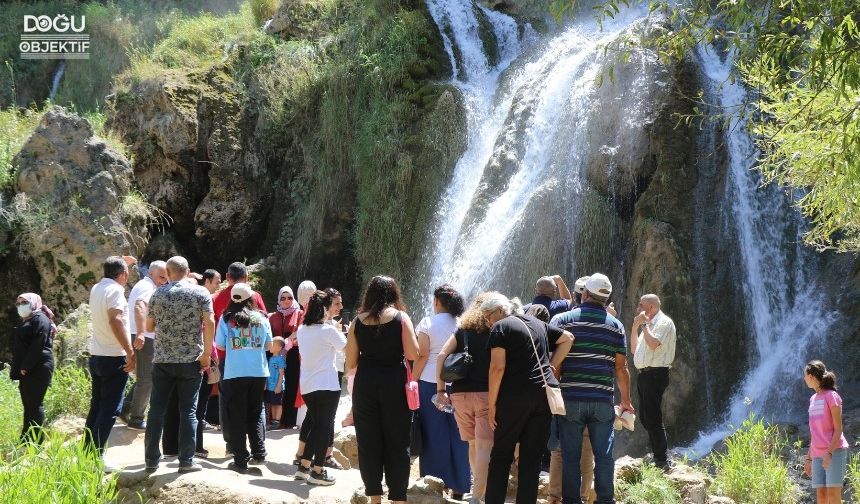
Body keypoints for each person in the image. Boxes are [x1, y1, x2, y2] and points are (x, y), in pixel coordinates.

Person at [550, 273, 633, 504]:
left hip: (570, 399)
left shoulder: (562, 320)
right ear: (606, 299)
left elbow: (553, 365)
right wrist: (626, 401)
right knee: (604, 455)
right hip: (602, 400)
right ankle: (605, 500)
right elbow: (621, 368)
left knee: (570, 456)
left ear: (584, 294)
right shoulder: (616, 326)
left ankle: (572, 500)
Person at [483, 292, 573, 504]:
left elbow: (497, 367)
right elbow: (568, 338)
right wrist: (552, 364)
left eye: (488, 316)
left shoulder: (501, 327)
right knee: (531, 459)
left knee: (501, 456)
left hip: (513, 397)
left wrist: (492, 404)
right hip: (543, 396)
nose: (487, 322)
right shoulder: (537, 323)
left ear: (499, 311)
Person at [345, 276, 419, 504]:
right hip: (393, 383)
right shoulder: (401, 318)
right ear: (394, 294)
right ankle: (398, 499)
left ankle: (374, 498)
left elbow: (350, 364)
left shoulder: (357, 322)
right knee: (397, 442)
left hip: (365, 384)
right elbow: (413, 354)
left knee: (368, 442)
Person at [144, 256, 215, 474]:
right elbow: (210, 322)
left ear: (168, 271)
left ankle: (151, 461)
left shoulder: (157, 293)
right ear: (188, 271)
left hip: (163, 360)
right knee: (189, 412)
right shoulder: (200, 292)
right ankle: (186, 461)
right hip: (190, 360)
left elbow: (149, 325)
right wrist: (206, 354)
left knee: (156, 410)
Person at [435, 292, 493, 503]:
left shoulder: (462, 332)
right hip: (486, 394)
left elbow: (441, 356)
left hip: (459, 394)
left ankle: (476, 490)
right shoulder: (494, 331)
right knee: (485, 446)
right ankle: (478, 496)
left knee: (472, 444)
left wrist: (441, 390)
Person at [413, 284, 470, 499]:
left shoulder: (427, 323)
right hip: (457, 384)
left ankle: (435, 483)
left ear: (437, 301)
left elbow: (422, 355)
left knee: (433, 433)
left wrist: (412, 380)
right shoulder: (462, 323)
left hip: (429, 383)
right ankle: (461, 485)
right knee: (460, 433)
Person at [215, 283, 273, 474]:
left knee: (237, 415)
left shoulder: (226, 319)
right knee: (255, 412)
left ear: (232, 298)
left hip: (234, 373)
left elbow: (221, 347)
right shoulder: (263, 318)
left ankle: (240, 460)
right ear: (251, 298)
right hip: (258, 372)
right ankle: (259, 453)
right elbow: (268, 346)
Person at [86, 256, 136, 462]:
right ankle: (97, 456)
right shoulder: (115, 290)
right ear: (122, 274)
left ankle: (87, 453)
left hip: (97, 355)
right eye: (127, 273)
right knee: (110, 408)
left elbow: (113, 265)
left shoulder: (97, 288)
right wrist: (130, 351)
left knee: (97, 406)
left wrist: (123, 261)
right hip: (114, 357)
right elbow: (116, 319)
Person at [294, 290, 347, 485]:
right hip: (327, 384)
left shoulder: (302, 330)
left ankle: (304, 466)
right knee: (324, 428)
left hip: (307, 385)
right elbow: (346, 347)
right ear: (324, 309)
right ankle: (318, 471)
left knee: (317, 426)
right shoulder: (329, 330)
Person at [630, 294, 676, 469]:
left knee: (653, 416)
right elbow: (634, 350)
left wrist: (644, 324)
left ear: (650, 308)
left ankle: (662, 458)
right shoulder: (647, 326)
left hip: (656, 373)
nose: (637, 308)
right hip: (644, 374)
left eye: (640, 305)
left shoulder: (664, 322)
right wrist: (635, 328)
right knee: (645, 416)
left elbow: (654, 344)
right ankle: (658, 453)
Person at [122, 260, 168, 430]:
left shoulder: (149, 285)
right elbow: (140, 306)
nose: (163, 281)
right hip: (144, 336)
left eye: (166, 278)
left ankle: (126, 408)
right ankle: (136, 418)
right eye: (161, 277)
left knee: (147, 377)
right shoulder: (146, 286)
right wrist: (141, 333)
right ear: (151, 273)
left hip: (145, 335)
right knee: (147, 379)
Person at [11, 293, 56, 444]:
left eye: (24, 302)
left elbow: (39, 344)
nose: (21, 306)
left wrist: (25, 366)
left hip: (38, 368)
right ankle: (25, 439)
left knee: (35, 404)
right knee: (28, 405)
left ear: (34, 303)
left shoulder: (40, 319)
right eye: (19, 303)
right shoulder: (28, 320)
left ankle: (37, 441)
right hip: (28, 369)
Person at [803, 360, 849, 504]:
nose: (804, 379)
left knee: (833, 496)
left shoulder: (832, 396)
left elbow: (838, 428)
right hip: (816, 454)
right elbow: (815, 433)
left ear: (811, 376)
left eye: (805, 375)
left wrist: (829, 453)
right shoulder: (812, 399)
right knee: (821, 496)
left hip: (834, 451)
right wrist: (809, 458)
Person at [271, 286, 303, 429]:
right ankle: (276, 419)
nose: (286, 301)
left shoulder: (300, 313)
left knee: (291, 384)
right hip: (277, 356)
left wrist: (290, 344)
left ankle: (290, 419)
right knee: (275, 384)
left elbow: (301, 333)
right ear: (279, 299)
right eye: (283, 298)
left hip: (294, 355)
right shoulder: (273, 316)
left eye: (289, 297)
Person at [266, 337, 288, 428]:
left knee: (278, 404)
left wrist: (279, 386)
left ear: (279, 348)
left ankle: (277, 421)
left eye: (272, 344)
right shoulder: (271, 358)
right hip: (270, 386)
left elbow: (281, 373)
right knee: (272, 403)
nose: (270, 346)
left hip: (277, 386)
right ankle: (273, 421)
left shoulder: (280, 359)